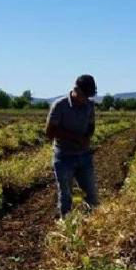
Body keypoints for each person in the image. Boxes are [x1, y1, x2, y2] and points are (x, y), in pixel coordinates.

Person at [46, 74, 99, 218]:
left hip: (84, 156)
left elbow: (91, 125)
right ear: (76, 89)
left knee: (91, 195)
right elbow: (49, 132)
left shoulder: (89, 105)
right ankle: (66, 227)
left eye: (89, 96)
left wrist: (87, 137)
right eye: (84, 96)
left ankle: (92, 226)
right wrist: (75, 137)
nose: (86, 99)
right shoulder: (60, 105)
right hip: (64, 157)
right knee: (66, 196)